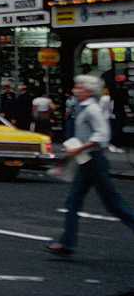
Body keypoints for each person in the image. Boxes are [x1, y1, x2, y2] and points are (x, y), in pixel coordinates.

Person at [46, 75, 134, 257]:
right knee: (73, 202)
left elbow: (102, 135)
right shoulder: (82, 107)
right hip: (86, 161)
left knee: (113, 204)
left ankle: (66, 243)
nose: (75, 90)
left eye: (79, 87)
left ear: (89, 90)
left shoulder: (92, 109)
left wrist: (80, 147)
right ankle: (66, 243)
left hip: (94, 161)